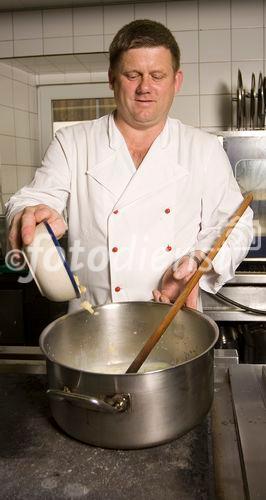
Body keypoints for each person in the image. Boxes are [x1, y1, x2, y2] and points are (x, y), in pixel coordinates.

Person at [6, 19, 253, 312]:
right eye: (132, 75)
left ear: (176, 81)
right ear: (112, 79)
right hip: (93, 321)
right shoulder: (72, 143)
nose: (145, 88)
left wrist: (198, 264)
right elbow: (35, 198)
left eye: (157, 75)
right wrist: (29, 214)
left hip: (173, 319)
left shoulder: (203, 148)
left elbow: (236, 225)